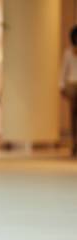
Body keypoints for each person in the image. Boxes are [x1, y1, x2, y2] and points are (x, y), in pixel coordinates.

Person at [60, 26, 77, 157]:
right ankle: (74, 143)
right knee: (73, 115)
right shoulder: (68, 53)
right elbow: (63, 71)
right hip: (72, 85)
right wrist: (61, 86)